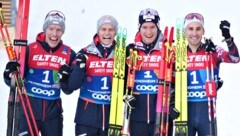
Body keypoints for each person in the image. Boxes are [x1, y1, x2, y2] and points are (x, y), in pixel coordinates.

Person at [3, 10, 76, 136]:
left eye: (59, 30)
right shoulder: (30, 49)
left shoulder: (69, 54)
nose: (54, 33)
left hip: (53, 115)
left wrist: (65, 79)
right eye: (51, 29)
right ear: (45, 29)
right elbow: (14, 80)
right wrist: (8, 73)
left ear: (62, 32)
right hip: (27, 112)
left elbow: (69, 88)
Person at [60, 15, 118, 136]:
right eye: (103, 29)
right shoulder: (85, 52)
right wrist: (78, 69)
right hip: (86, 117)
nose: (107, 33)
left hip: (111, 118)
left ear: (115, 32)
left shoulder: (121, 54)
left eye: (111, 29)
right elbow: (71, 86)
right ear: (98, 31)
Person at [183, 13, 239, 136]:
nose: (194, 33)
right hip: (185, 111)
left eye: (198, 29)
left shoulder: (212, 50)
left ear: (203, 31)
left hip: (207, 111)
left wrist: (228, 39)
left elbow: (235, 58)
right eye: (190, 29)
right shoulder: (178, 54)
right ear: (184, 31)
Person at [126, 8, 178, 136]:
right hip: (137, 116)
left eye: (152, 27)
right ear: (139, 28)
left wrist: (173, 102)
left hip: (162, 117)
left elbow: (180, 79)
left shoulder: (170, 49)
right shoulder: (130, 50)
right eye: (144, 27)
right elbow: (120, 79)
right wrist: (125, 95)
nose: (148, 32)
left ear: (158, 27)